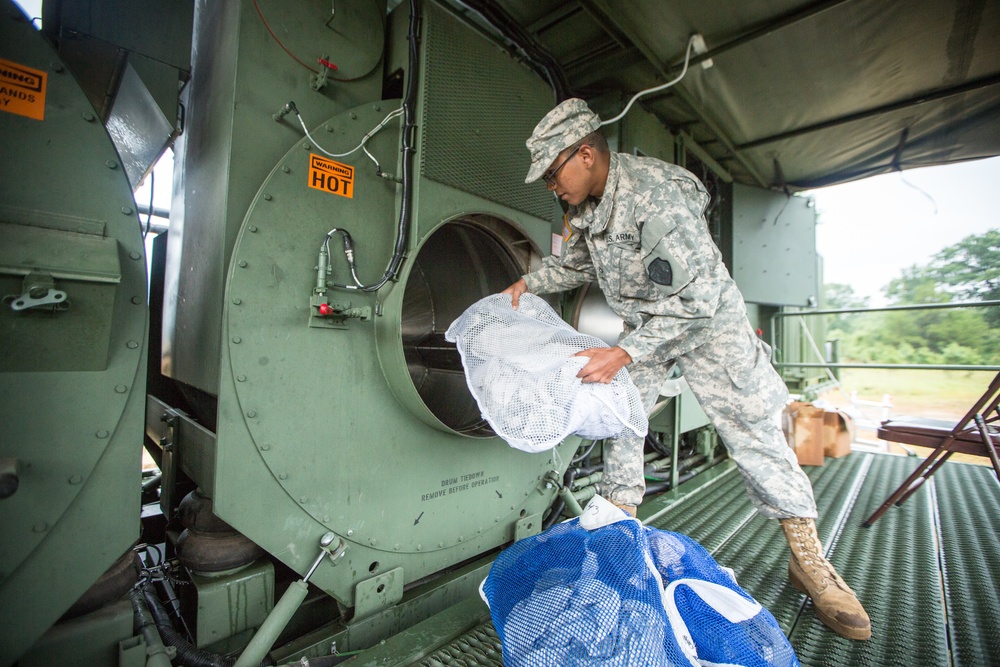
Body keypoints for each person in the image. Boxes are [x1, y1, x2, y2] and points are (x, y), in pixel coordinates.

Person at [501, 98, 871, 641]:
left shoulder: (656, 198)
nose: (551, 187)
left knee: (757, 433)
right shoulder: (589, 207)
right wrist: (525, 284)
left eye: (553, 174)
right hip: (647, 325)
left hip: (707, 323)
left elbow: (696, 302)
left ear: (585, 154)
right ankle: (614, 546)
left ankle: (810, 562)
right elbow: (579, 263)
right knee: (622, 419)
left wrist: (622, 352)